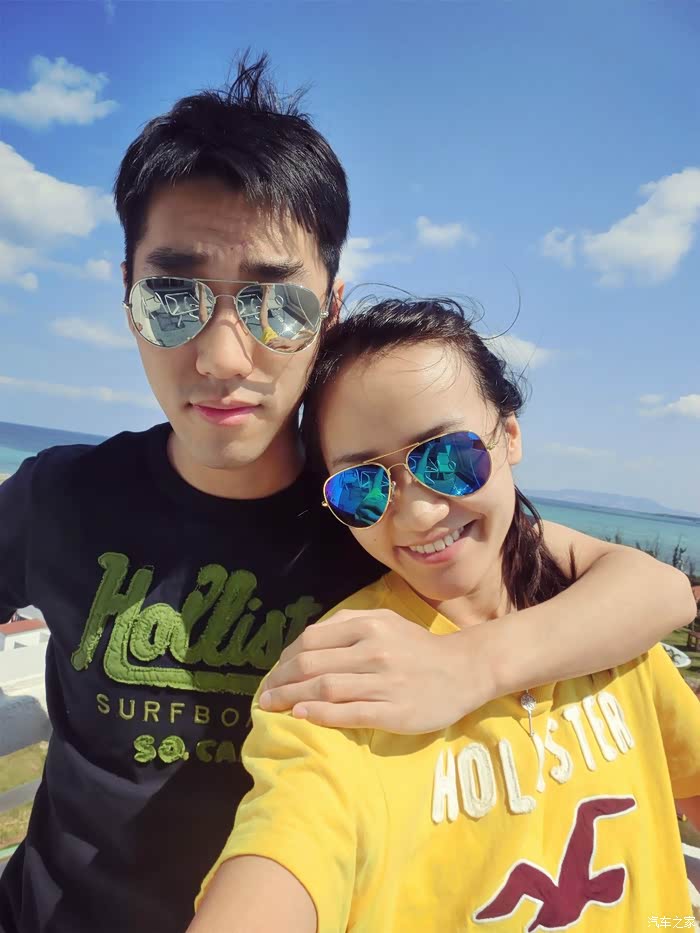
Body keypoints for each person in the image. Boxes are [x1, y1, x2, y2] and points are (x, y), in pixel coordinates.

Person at [0, 57, 694, 933]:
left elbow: (655, 587)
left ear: (329, 309)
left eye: (274, 304)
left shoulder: (376, 514)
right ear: (128, 296)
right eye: (173, 297)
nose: (222, 356)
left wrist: (471, 665)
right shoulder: (62, 495)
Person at [191, 299, 700, 933]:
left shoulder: (600, 624)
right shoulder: (345, 674)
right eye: (361, 486)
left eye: (449, 458)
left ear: (509, 436)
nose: (419, 514)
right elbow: (285, 845)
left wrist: (469, 666)